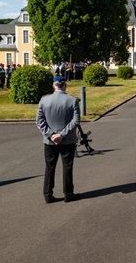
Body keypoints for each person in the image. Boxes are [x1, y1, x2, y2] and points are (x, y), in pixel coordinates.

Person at [37, 76, 81, 204]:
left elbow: (39, 121)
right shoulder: (72, 100)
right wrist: (62, 134)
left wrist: (51, 135)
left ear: (53, 86)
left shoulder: (44, 100)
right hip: (67, 140)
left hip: (50, 141)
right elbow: (75, 121)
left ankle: (48, 194)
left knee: (50, 167)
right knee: (67, 167)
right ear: (65, 85)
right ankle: (68, 193)